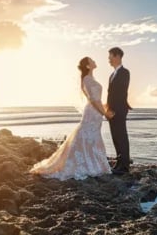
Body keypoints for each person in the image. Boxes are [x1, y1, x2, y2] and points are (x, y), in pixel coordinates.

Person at [29, 57, 113, 180]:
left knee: (93, 136)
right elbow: (93, 100)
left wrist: (104, 109)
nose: (95, 61)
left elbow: (98, 99)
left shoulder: (92, 79)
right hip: (92, 112)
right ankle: (85, 164)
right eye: (92, 61)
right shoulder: (86, 79)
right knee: (85, 135)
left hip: (97, 114)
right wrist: (104, 113)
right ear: (88, 66)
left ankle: (94, 163)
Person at [106, 47, 132, 175]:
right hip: (111, 111)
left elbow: (121, 92)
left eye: (110, 56)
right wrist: (107, 109)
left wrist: (114, 110)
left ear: (117, 56)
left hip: (119, 109)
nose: (109, 59)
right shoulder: (111, 75)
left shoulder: (125, 72)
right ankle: (119, 162)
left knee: (121, 136)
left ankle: (125, 165)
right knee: (115, 136)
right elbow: (110, 94)